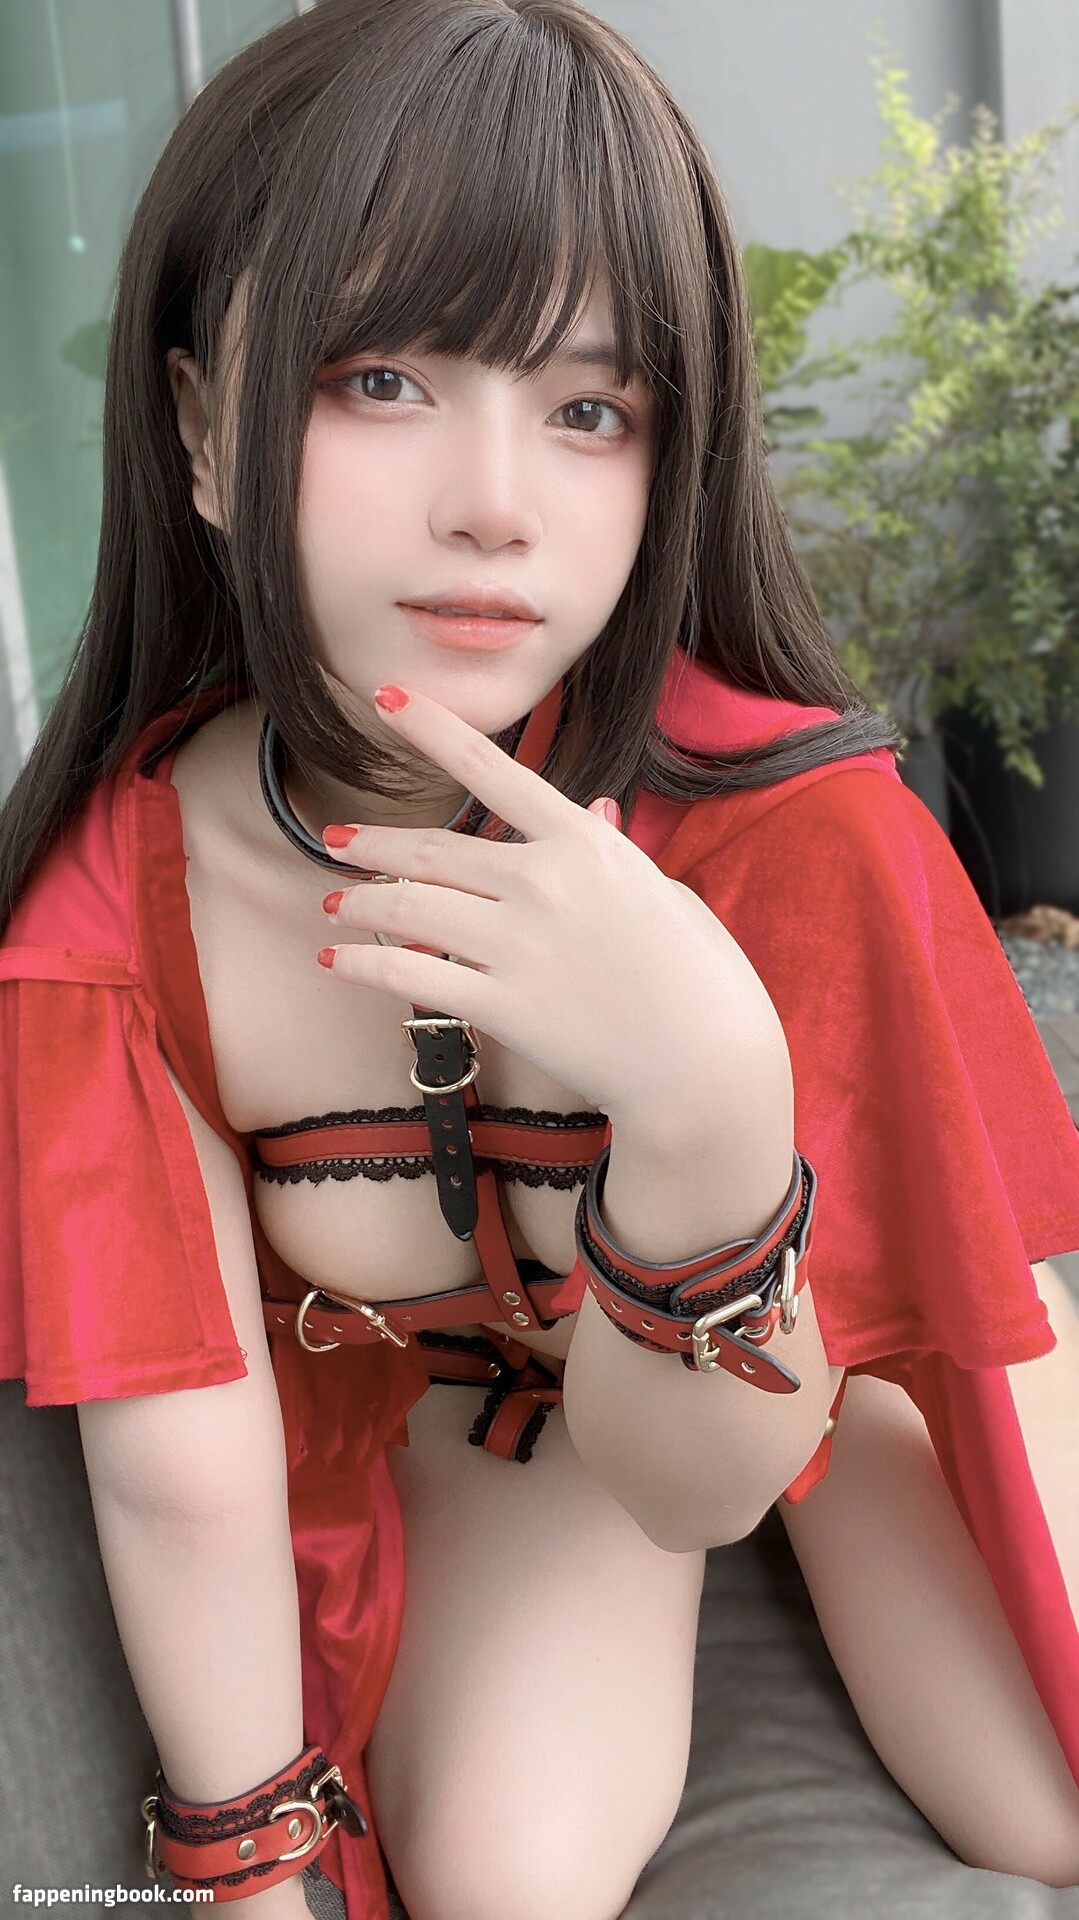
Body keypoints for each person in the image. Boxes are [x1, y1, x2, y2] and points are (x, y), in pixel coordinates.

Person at [3, 2, 1079, 1914]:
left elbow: (706, 1474)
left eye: (591, 410)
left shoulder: (785, 836)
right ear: (200, 430)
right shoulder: (115, 918)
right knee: (503, 1877)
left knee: (1054, 1813)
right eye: (380, 379)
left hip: (843, 1353)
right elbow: (177, 1458)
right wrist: (243, 1866)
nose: (494, 501)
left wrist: (710, 1095)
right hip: (492, 1398)